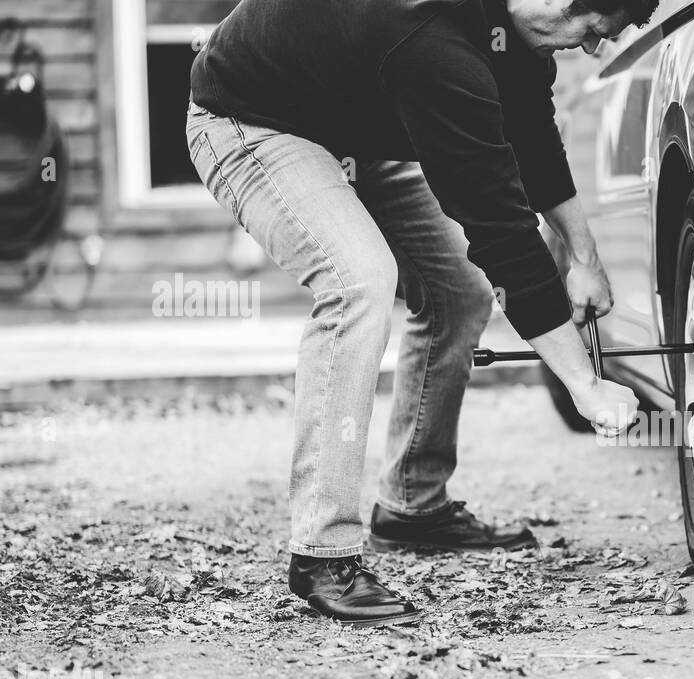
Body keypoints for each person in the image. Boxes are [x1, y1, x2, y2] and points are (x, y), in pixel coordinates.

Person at [186, 0, 652, 626]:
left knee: (459, 289)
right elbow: (500, 228)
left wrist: (585, 256)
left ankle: (412, 503)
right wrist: (585, 386)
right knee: (356, 281)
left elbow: (530, 135)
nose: (589, 46)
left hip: (353, 116)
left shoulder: (511, 33)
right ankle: (322, 553)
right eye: (592, 29)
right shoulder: (431, 46)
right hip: (250, 117)